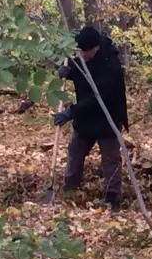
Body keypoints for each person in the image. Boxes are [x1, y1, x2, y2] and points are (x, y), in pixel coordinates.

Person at [54, 26, 129, 211]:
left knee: (110, 160)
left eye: (84, 51)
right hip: (86, 119)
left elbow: (98, 96)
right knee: (75, 153)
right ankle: (70, 191)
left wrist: (71, 112)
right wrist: (67, 72)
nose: (81, 54)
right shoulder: (82, 56)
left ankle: (112, 199)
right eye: (79, 50)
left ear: (95, 48)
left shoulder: (110, 64)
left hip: (107, 118)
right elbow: (77, 71)